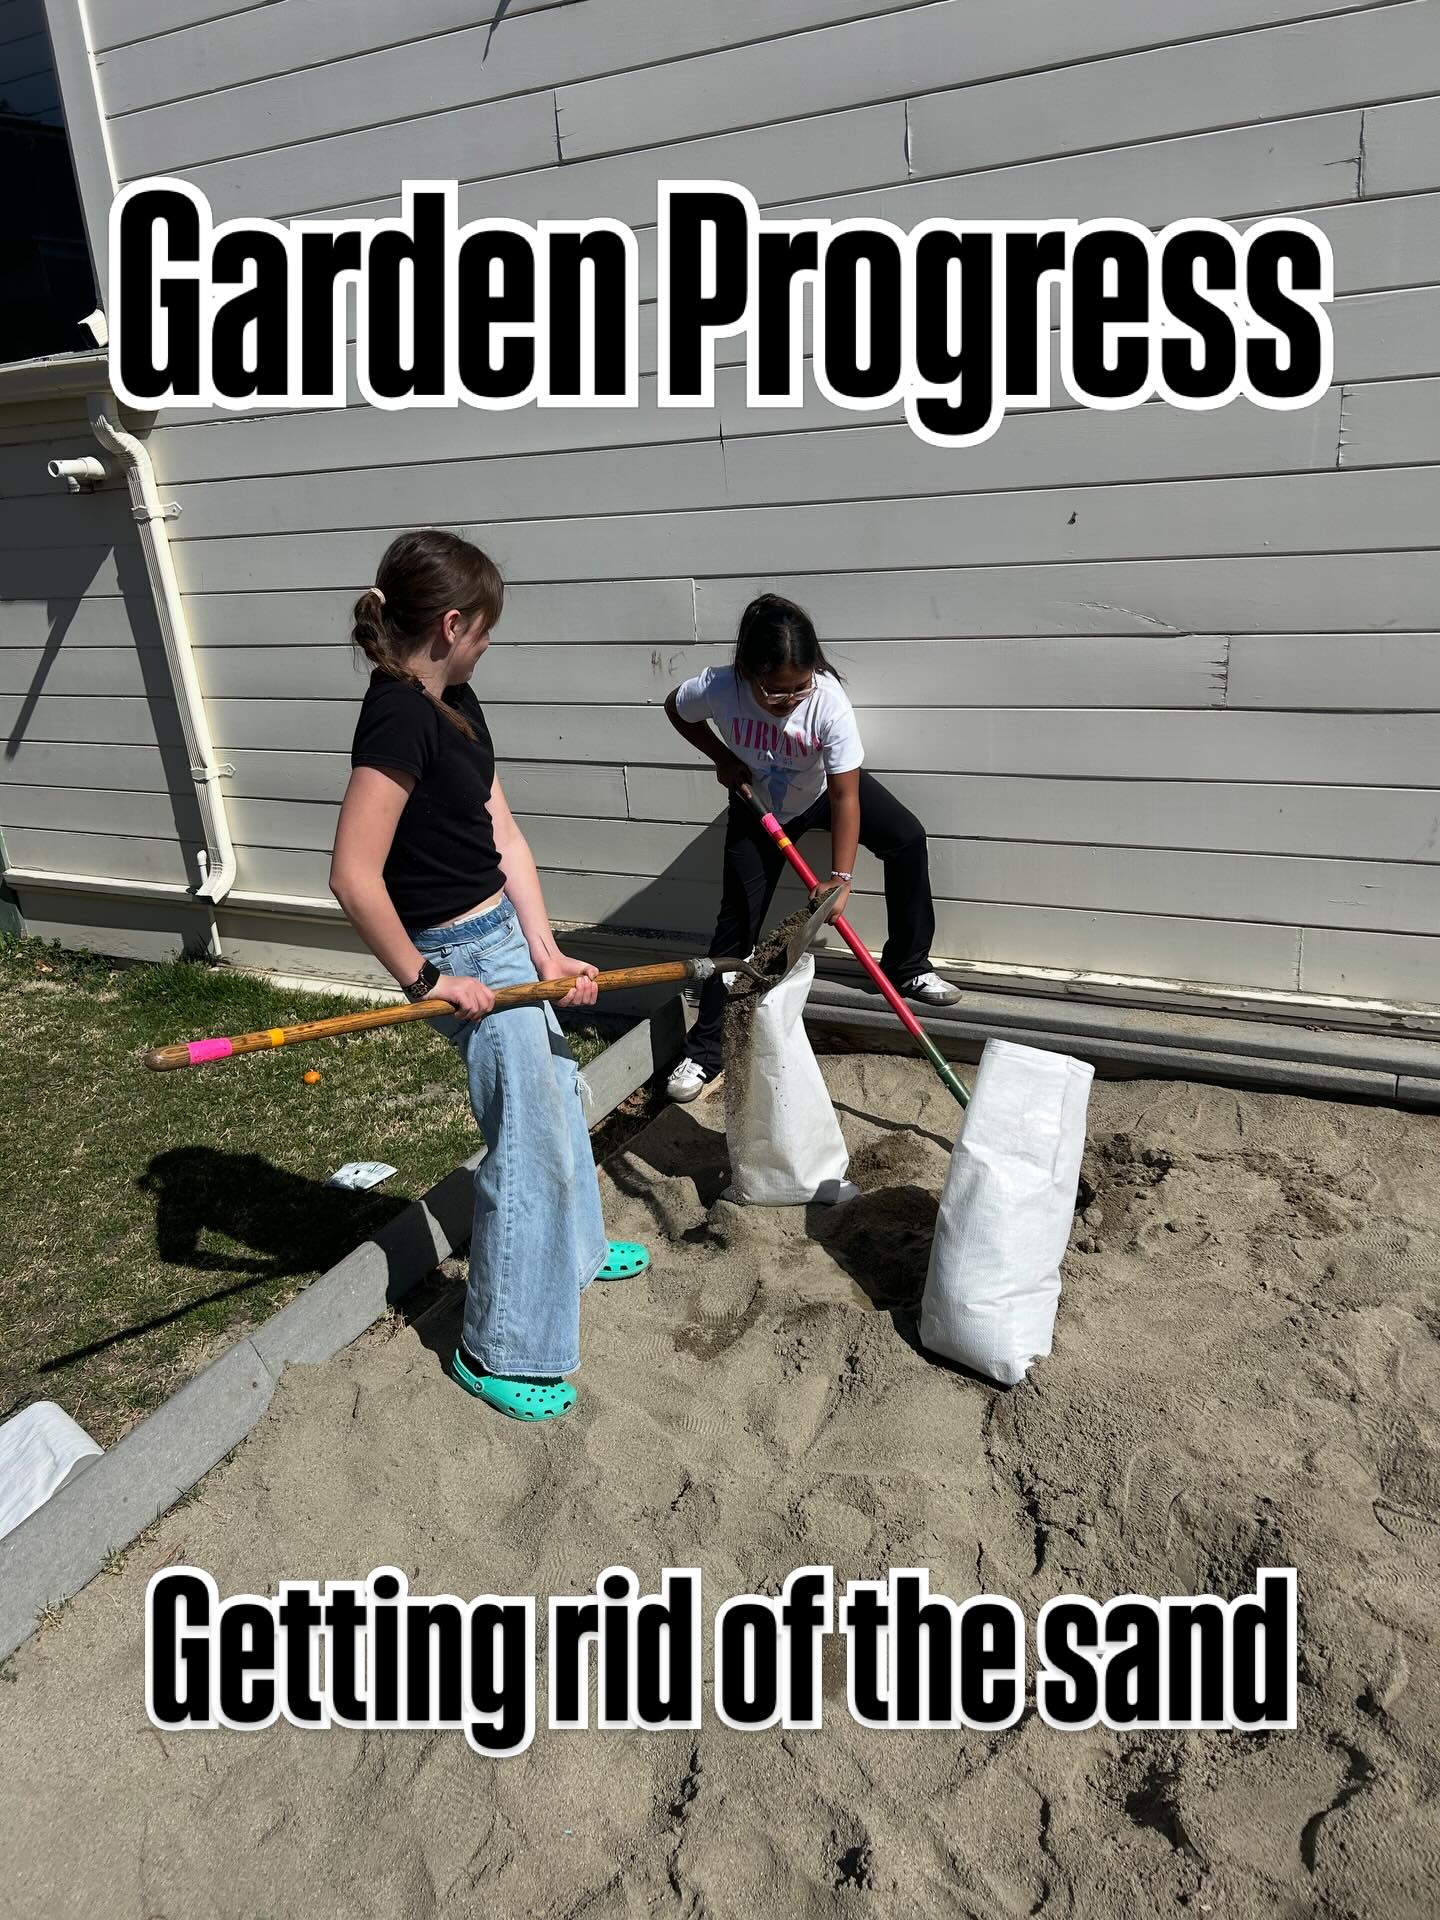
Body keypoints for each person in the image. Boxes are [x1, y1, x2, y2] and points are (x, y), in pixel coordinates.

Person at [329, 529, 648, 1422]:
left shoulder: (456, 699)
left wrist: (546, 950)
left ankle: (573, 1251)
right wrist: (423, 978)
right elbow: (353, 873)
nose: (487, 647)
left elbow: (502, 833)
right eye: (485, 631)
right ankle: (494, 1346)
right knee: (527, 1143)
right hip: (459, 955)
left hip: (503, 938)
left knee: (554, 1091)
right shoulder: (396, 714)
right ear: (452, 623)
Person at [662, 592, 960, 1102]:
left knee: (907, 838)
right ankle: (705, 1050)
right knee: (736, 921)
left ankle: (908, 966)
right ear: (748, 671)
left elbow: (847, 794)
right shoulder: (719, 687)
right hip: (760, 805)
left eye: (801, 686)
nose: (792, 698)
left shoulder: (827, 701)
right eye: (777, 692)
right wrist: (721, 758)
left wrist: (840, 880)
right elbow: (676, 708)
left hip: (823, 793)